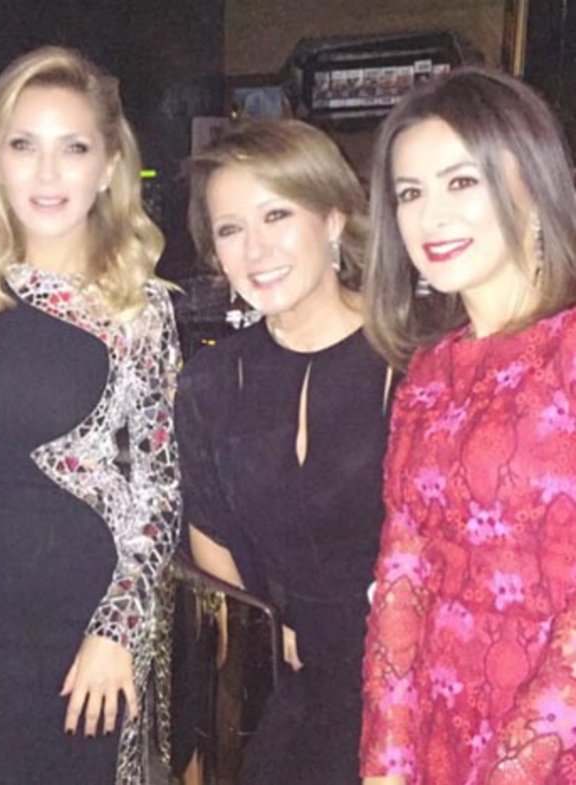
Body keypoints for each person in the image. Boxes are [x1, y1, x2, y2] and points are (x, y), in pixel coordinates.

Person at [0, 46, 182, 785]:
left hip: (94, 623)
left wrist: (118, 627)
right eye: (23, 145)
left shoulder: (139, 303)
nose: (47, 174)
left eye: (72, 148)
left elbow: (157, 488)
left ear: (108, 165)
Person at [360, 68, 576, 785]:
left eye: (461, 182)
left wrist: (510, 770)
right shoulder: (427, 375)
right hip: (440, 741)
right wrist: (387, 762)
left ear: (534, 184)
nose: (431, 217)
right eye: (410, 194)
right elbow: (402, 578)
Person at [175, 119, 393, 785]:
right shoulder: (211, 382)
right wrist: (265, 638)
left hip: (401, 684)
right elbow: (211, 538)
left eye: (277, 214)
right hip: (288, 683)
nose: (256, 249)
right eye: (230, 228)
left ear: (333, 219)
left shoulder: (413, 363)